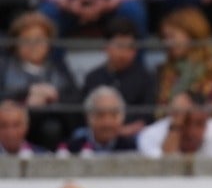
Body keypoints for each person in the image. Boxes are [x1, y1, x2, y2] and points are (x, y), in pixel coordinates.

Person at [0, 10, 82, 151]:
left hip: (50, 127)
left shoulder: (59, 67)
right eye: (27, 39)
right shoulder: (5, 67)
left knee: (52, 128)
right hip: (12, 126)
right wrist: (27, 96)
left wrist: (53, 96)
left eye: (39, 39)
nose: (33, 45)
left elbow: (75, 99)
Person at [154, 6, 212, 109]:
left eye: (172, 36)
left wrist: (192, 109)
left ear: (192, 34)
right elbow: (159, 108)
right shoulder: (166, 69)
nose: (167, 43)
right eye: (165, 37)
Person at [82, 17, 156, 133]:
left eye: (129, 47)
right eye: (119, 46)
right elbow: (86, 114)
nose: (123, 54)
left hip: (133, 133)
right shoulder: (93, 78)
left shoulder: (145, 78)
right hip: (98, 133)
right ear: (106, 47)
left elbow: (148, 115)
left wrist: (124, 131)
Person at [135, 90, 212, 154]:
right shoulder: (149, 135)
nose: (191, 132)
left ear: (208, 119)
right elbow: (164, 173)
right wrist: (176, 126)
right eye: (186, 122)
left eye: (199, 123)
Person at [59, 84, 141, 153]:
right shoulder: (71, 149)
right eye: (100, 115)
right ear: (88, 117)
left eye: (113, 115)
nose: (107, 123)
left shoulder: (132, 149)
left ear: (122, 118)